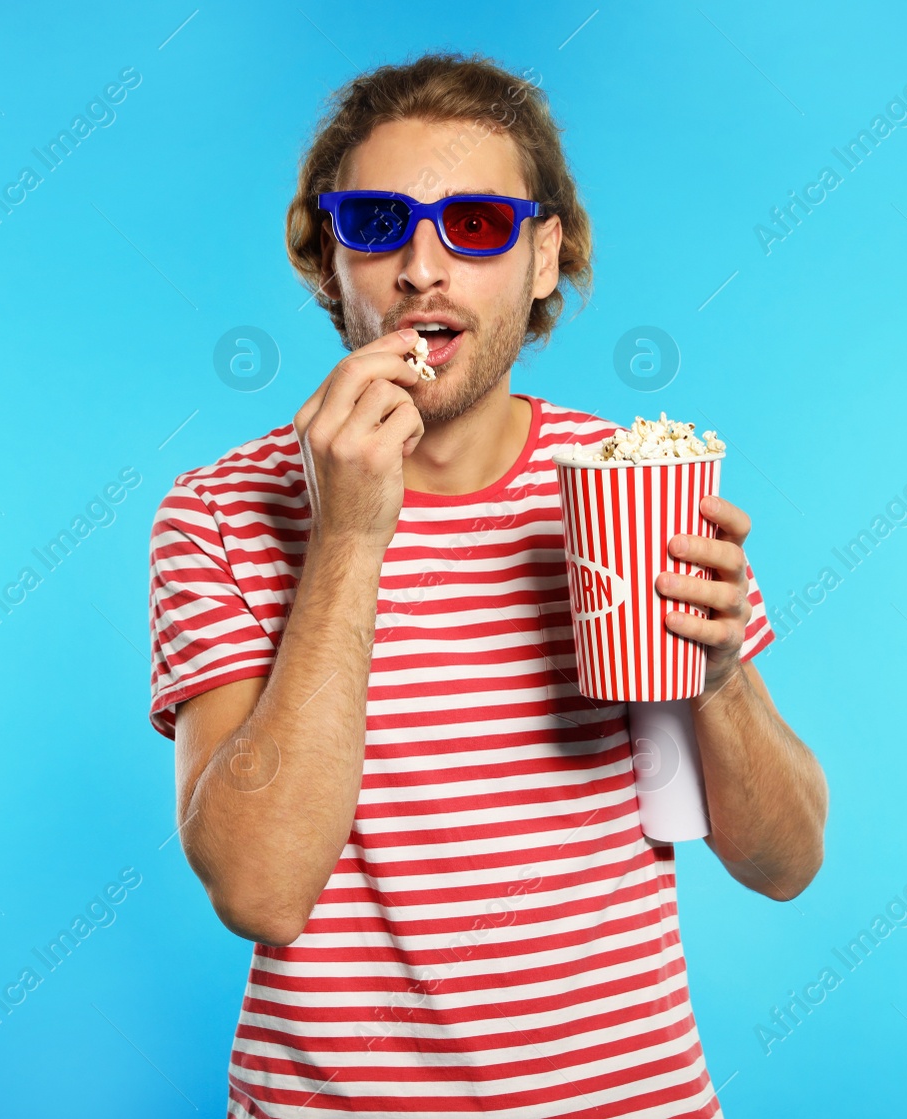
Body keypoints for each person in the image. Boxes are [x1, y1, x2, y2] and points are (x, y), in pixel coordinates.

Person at [147, 51, 828, 1119]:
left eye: (474, 225)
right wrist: (348, 541)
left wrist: (721, 677)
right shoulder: (220, 512)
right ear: (329, 259)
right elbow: (260, 891)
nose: (424, 269)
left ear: (544, 255)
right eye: (376, 224)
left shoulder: (634, 478)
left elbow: (786, 864)